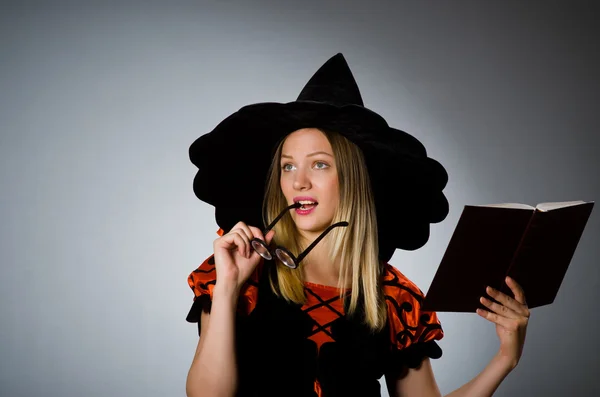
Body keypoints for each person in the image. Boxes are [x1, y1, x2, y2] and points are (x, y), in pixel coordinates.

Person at [184, 54, 530, 397]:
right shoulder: (240, 270)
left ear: (351, 180)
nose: (299, 182)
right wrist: (228, 288)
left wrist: (504, 359)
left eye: (319, 165)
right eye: (288, 167)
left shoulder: (395, 297)